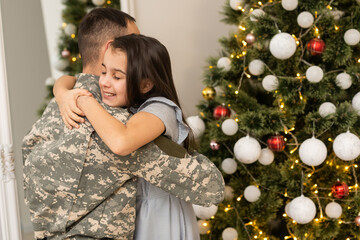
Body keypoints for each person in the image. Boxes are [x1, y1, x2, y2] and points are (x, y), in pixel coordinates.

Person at [22, 8, 224, 240]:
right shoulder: (114, 123)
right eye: (133, 40)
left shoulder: (54, 112)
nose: (140, 47)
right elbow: (211, 187)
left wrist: (69, 93)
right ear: (112, 47)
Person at [59, 34, 202, 239]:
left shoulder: (161, 110)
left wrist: (82, 100)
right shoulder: (122, 104)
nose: (105, 82)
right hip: (127, 211)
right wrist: (62, 94)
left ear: (145, 85)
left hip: (158, 214)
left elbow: (121, 142)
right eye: (103, 71)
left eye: (117, 77)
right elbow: (69, 79)